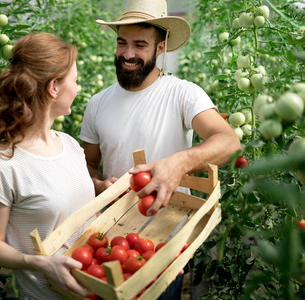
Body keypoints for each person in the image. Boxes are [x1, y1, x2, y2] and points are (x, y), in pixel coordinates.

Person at [79, 0, 242, 298]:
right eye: (122, 43)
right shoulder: (97, 103)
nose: (128, 54)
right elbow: (87, 165)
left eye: (140, 44)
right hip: (112, 240)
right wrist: (98, 183)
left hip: (165, 242)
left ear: (161, 47)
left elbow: (229, 143)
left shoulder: (182, 93)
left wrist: (179, 163)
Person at [0, 32, 94, 300]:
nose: (78, 89)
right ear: (54, 87)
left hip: (95, 287)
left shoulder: (70, 145)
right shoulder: (4, 167)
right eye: (75, 81)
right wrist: (40, 263)